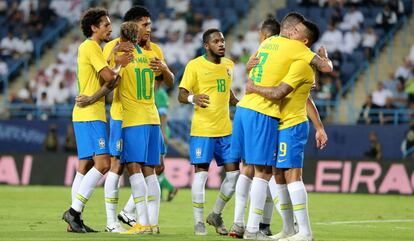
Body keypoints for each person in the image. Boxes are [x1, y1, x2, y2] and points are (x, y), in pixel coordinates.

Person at [230, 12, 332, 240]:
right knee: (275, 175)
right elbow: (308, 93)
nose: (291, 32)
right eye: (292, 29)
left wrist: (253, 86)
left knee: (289, 174)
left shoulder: (300, 64)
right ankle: (287, 228)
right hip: (274, 122)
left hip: (291, 125)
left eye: (296, 31)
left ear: (304, 41)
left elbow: (286, 93)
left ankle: (303, 232)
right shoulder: (289, 56)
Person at [62, 7, 133, 233]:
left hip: (86, 112)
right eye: (106, 25)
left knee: (84, 167)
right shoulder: (91, 47)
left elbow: (104, 76)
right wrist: (120, 63)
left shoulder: (94, 49)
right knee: (102, 164)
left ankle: (76, 221)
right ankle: (73, 212)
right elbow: (110, 79)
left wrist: (113, 57)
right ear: (94, 27)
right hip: (91, 113)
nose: (110, 29)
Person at [178, 28, 240, 236]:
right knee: (201, 176)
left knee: (234, 175)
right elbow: (181, 94)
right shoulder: (194, 65)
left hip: (226, 130)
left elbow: (227, 90)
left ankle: (215, 214)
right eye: (216, 41)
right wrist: (192, 98)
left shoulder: (229, 65)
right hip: (203, 130)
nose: (221, 44)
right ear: (207, 46)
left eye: (222, 40)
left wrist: (239, 103)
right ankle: (198, 222)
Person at [229, 17, 281, 239]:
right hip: (263, 112)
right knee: (265, 171)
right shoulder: (281, 51)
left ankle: (238, 224)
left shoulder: (257, 52)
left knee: (247, 168)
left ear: (262, 34)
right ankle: (254, 228)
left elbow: (248, 79)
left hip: (243, 109)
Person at [154, 85, 178, 201]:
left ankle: (169, 189)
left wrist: (163, 132)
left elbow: (163, 114)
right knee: (154, 164)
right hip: (154, 129)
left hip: (160, 130)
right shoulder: (153, 91)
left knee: (158, 163)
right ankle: (163, 193)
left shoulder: (160, 94)